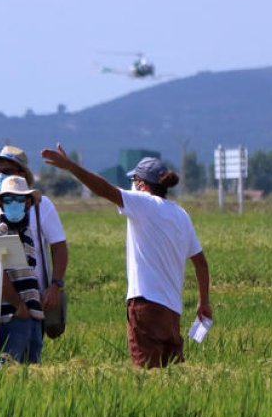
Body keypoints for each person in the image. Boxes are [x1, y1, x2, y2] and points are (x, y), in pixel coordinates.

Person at [41, 144, 211, 368]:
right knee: (172, 378)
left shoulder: (142, 203)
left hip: (145, 306)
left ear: (141, 184)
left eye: (134, 181)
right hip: (172, 313)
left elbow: (104, 189)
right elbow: (200, 263)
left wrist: (71, 166)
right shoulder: (181, 214)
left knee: (146, 377)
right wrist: (203, 302)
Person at [0, 145, 68, 362]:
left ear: (22, 173)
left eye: (5, 170)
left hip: (35, 297)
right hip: (1, 299)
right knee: (5, 358)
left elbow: (59, 247)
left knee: (30, 358)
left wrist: (55, 285)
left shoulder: (42, 207)